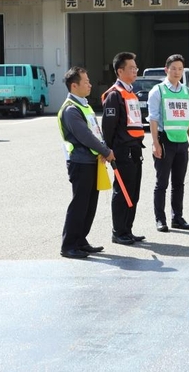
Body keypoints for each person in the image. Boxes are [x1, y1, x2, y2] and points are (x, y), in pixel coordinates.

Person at [58, 66, 115, 259]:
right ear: (74, 86)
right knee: (80, 204)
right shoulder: (71, 109)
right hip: (80, 162)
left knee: (90, 204)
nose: (90, 85)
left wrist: (103, 149)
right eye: (86, 82)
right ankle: (69, 245)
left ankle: (81, 240)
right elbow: (85, 136)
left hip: (93, 161)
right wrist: (105, 151)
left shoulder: (85, 105)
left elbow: (96, 132)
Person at [147, 54, 189, 232]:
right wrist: (155, 143)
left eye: (180, 69)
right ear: (166, 69)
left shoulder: (185, 91)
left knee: (179, 183)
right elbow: (153, 119)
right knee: (162, 183)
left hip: (182, 141)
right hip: (164, 140)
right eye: (173, 68)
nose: (177, 72)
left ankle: (178, 217)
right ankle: (160, 219)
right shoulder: (158, 90)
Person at [101, 52, 145, 245]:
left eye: (136, 67)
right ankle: (118, 231)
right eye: (131, 68)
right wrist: (109, 152)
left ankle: (128, 229)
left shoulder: (131, 92)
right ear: (120, 71)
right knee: (123, 192)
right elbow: (108, 127)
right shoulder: (114, 94)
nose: (135, 71)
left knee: (134, 191)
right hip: (122, 150)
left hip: (135, 149)